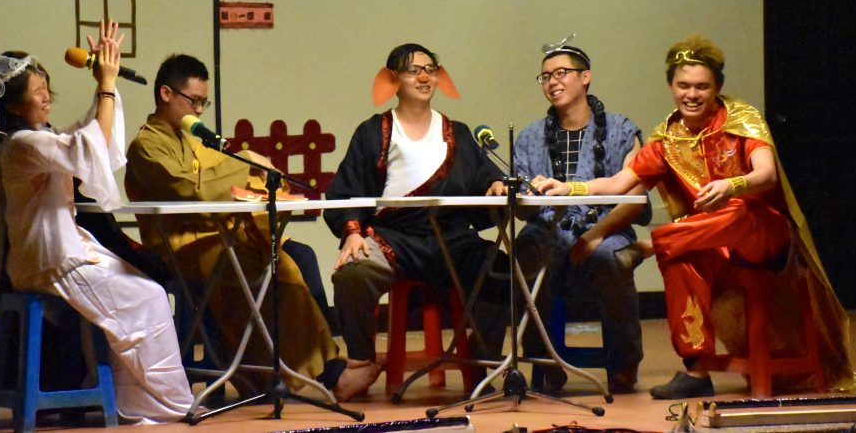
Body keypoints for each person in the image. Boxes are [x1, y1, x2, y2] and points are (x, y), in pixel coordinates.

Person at [535, 35, 852, 399]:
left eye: (702, 86)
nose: (692, 94)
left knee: (737, 209)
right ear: (671, 86)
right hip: (706, 241)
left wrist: (732, 185)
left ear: (717, 88)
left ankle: (653, 244)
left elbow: (766, 175)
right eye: (683, 85)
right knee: (680, 261)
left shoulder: (741, 118)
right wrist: (569, 187)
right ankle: (696, 369)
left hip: (761, 235)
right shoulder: (666, 138)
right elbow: (619, 183)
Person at [0, 21, 194, 424]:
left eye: (47, 87)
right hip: (50, 261)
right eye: (37, 91)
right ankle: (165, 404)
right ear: (14, 105)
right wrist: (106, 85)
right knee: (149, 296)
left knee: (143, 289)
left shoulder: (31, 141)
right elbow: (86, 148)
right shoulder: (22, 145)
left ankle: (133, 400)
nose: (47, 97)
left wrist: (105, 86)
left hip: (55, 255)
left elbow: (84, 140)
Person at [123, 54, 345, 397]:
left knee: (298, 256)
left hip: (219, 235)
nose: (199, 110)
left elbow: (224, 178)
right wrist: (247, 163)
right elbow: (193, 190)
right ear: (166, 94)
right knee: (275, 267)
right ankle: (291, 373)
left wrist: (254, 174)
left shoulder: (192, 137)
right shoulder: (146, 146)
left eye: (203, 103)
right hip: (182, 245)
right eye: (194, 101)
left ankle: (309, 367)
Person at [324, 43, 511, 402]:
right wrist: (352, 233)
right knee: (352, 273)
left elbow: (485, 177)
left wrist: (495, 184)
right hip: (395, 237)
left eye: (430, 69)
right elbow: (347, 189)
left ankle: (482, 359)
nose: (424, 77)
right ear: (393, 79)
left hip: (453, 239)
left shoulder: (458, 132)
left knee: (499, 269)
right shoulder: (374, 131)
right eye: (413, 70)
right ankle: (361, 361)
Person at [512, 39, 651, 395]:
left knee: (608, 258)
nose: (552, 82)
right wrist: (522, 194)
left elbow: (635, 200)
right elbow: (521, 203)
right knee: (526, 249)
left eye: (561, 73)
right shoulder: (529, 137)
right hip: (548, 230)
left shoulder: (622, 130)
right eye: (545, 76)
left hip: (607, 229)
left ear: (585, 77)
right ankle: (544, 362)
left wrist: (595, 234)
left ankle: (623, 363)